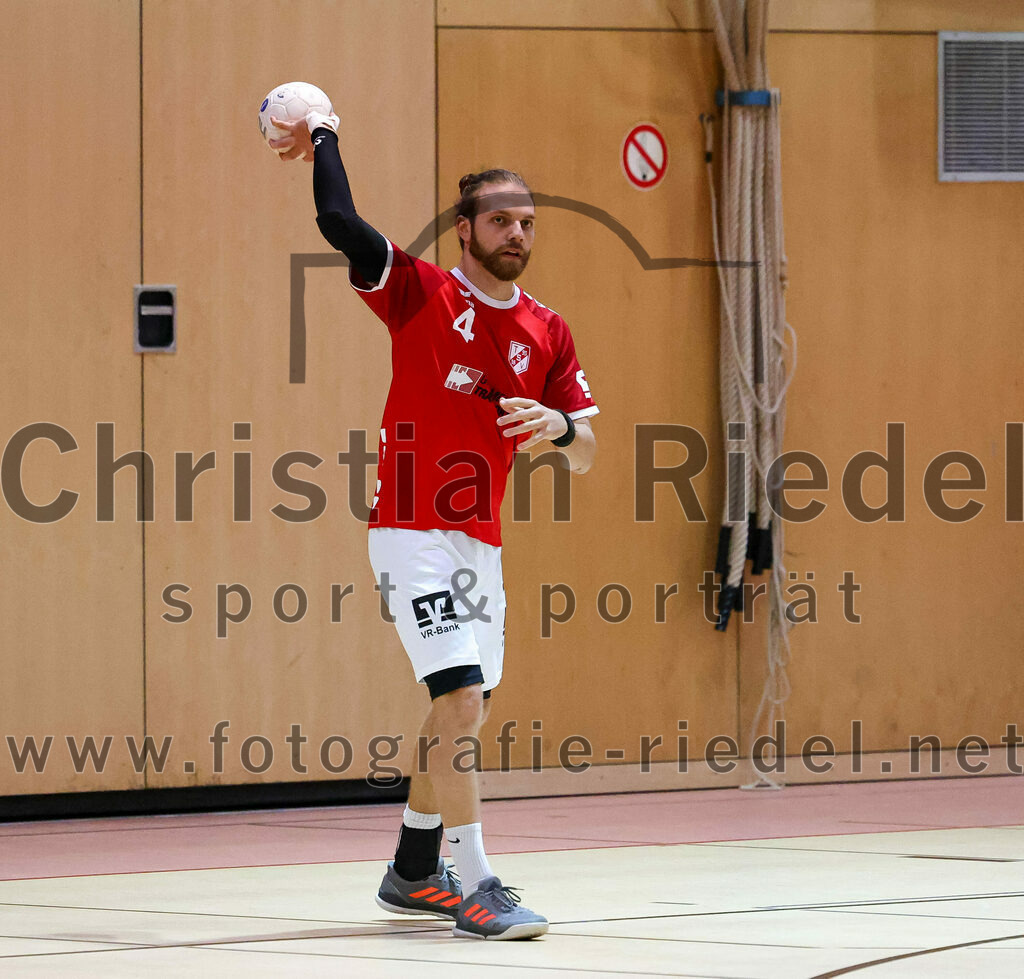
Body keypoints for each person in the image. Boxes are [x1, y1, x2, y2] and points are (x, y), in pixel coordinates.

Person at [271, 104, 598, 941]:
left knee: (466, 708)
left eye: (526, 222)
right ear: (466, 229)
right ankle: (479, 885)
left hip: (478, 541)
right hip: (409, 528)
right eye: (501, 220)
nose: (517, 233)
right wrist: (325, 133)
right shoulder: (420, 292)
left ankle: (414, 868)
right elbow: (339, 221)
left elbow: (588, 447)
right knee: (457, 696)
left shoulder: (548, 329)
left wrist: (559, 427)